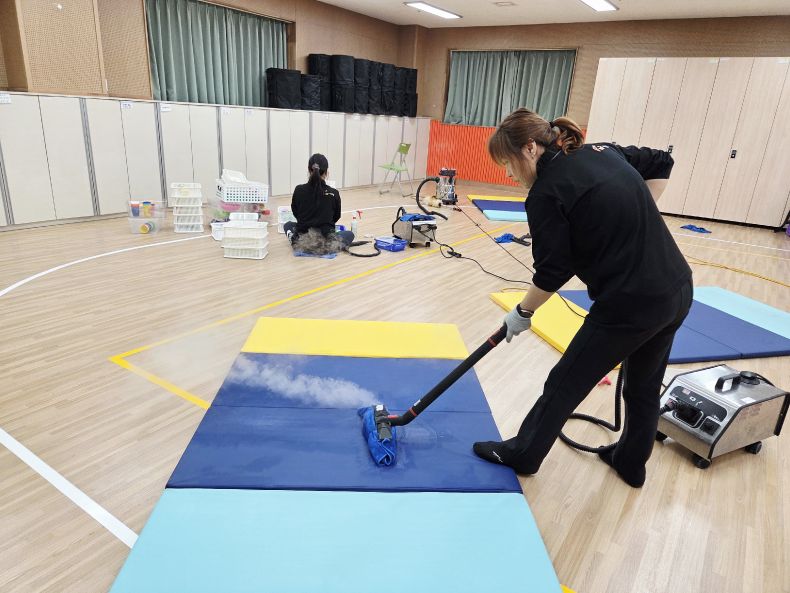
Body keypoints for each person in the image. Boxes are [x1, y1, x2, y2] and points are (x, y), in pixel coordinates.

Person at [473, 108, 692, 488]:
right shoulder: (601, 151)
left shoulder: (545, 193)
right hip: (677, 289)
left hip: (630, 303)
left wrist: (522, 312)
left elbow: (553, 271)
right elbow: (661, 161)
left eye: (507, 163)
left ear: (530, 148)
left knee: (565, 381)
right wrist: (635, 214)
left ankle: (524, 453)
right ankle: (631, 463)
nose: (508, 174)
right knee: (643, 387)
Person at [284, 153, 354, 250]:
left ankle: (295, 241)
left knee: (288, 225)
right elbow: (336, 216)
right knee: (350, 234)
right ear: (326, 172)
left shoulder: (299, 190)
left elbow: (296, 213)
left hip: (302, 239)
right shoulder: (334, 193)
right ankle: (329, 247)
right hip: (326, 240)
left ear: (309, 170)